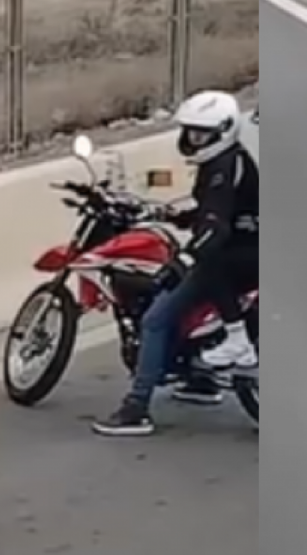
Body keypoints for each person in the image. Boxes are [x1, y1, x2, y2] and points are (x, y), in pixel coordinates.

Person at [91, 90, 260, 437]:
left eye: (202, 133)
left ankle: (135, 408)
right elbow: (213, 212)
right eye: (191, 131)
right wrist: (172, 214)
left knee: (155, 319)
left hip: (241, 255)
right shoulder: (225, 162)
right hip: (251, 250)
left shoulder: (223, 169)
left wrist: (182, 260)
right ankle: (201, 381)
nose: (193, 139)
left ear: (223, 130)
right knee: (199, 273)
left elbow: (215, 228)